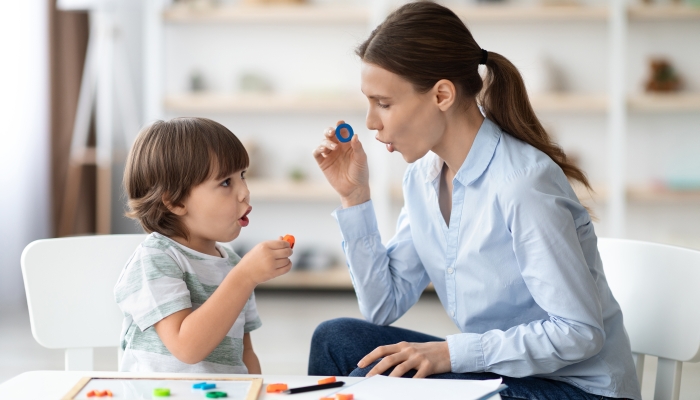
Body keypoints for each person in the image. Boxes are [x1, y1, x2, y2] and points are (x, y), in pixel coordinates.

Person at [309, 2, 641, 399]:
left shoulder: (523, 184)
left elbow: (579, 332)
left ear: (442, 95)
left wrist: (453, 352)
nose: (370, 122)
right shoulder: (422, 178)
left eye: (383, 103)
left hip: (576, 388)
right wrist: (354, 197)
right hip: (505, 374)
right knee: (336, 341)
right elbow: (383, 305)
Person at [114, 117, 293, 373]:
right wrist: (244, 277)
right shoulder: (155, 259)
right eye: (225, 182)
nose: (244, 192)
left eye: (242, 175)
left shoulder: (232, 263)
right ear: (175, 202)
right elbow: (187, 348)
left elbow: (245, 353)